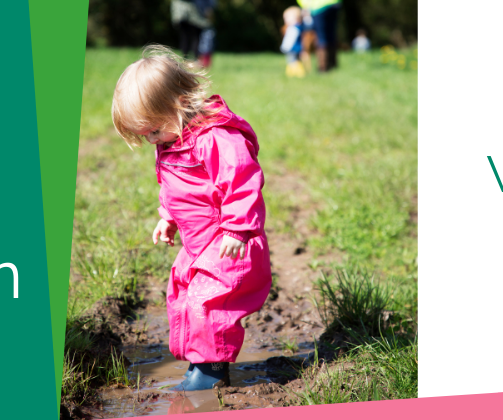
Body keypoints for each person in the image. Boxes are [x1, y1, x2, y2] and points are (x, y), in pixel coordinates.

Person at [110, 45, 272, 391]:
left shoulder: (215, 137)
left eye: (154, 131)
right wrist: (167, 217)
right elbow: (177, 187)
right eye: (146, 136)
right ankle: (199, 363)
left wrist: (237, 229)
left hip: (228, 242)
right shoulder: (172, 140)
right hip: (197, 243)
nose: (152, 140)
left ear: (178, 104)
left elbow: (242, 180)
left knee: (207, 303)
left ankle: (210, 374)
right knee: (181, 294)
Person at [298, 0, 340, 71]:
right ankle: (333, 65)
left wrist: (306, 6)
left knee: (321, 37)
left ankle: (323, 67)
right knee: (331, 34)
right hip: (334, 3)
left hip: (318, 7)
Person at [281, 6, 306, 77]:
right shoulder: (296, 28)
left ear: (297, 18)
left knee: (293, 61)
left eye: (287, 18)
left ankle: (298, 73)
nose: (285, 20)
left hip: (293, 49)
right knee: (293, 61)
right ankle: (292, 73)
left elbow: (290, 40)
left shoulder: (294, 28)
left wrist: (285, 47)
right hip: (295, 48)